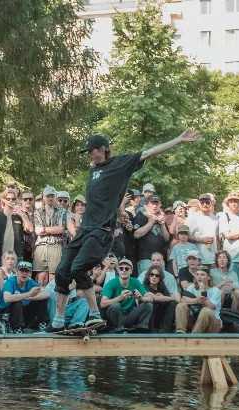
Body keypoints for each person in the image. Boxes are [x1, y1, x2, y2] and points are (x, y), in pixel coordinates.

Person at [49, 129, 199, 333]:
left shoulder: (119, 163)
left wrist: (179, 140)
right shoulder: (93, 171)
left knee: (78, 268)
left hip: (101, 232)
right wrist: (120, 211)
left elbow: (148, 153)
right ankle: (58, 320)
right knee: (62, 271)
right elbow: (113, 194)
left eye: (91, 151)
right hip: (85, 229)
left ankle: (94, 314)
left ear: (102, 149)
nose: (89, 155)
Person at [100, 258, 154, 333]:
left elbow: (150, 298)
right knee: (116, 305)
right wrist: (120, 298)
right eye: (121, 268)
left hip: (129, 315)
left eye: (127, 268)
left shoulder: (135, 281)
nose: (124, 270)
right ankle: (119, 329)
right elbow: (102, 303)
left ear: (131, 271)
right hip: (115, 316)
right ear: (118, 271)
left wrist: (140, 298)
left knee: (148, 305)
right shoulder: (112, 282)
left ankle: (141, 330)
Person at [0, 260, 50, 333]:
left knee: (41, 300)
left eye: (27, 271)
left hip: (23, 315)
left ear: (30, 274)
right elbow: (7, 298)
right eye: (22, 271)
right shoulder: (11, 281)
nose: (24, 273)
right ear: (17, 272)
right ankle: (17, 329)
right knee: (18, 301)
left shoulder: (30, 282)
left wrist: (30, 297)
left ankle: (43, 326)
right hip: (7, 315)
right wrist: (28, 294)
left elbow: (46, 294)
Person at [33, 186, 67, 285]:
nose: (50, 198)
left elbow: (61, 229)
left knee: (54, 278)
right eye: (48, 196)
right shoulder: (37, 212)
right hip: (41, 246)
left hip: (56, 246)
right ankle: (41, 300)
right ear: (43, 197)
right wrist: (53, 229)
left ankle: (53, 300)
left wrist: (44, 230)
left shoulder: (62, 211)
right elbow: (37, 231)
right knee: (41, 278)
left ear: (55, 196)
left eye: (52, 196)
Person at [0, 189, 33, 266]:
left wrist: (22, 214)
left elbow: (30, 229)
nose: (10, 200)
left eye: (13, 198)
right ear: (4, 200)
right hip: (1, 255)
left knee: (17, 277)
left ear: (16, 199)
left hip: (17, 256)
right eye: (8, 199)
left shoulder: (20, 215)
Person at [175, 266, 222, 333]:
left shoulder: (215, 290)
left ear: (208, 277)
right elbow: (183, 300)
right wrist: (196, 300)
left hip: (213, 324)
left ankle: (194, 337)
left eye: (202, 275)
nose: (199, 277)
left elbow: (211, 307)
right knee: (181, 306)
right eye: (197, 274)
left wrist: (203, 292)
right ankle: (180, 333)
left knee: (205, 310)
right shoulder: (191, 288)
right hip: (196, 321)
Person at [219, 191, 239, 288]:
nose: (233, 203)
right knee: (230, 287)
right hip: (231, 258)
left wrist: (237, 234)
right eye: (231, 201)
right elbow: (228, 236)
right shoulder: (224, 216)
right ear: (228, 203)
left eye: (236, 201)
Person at [133, 195, 170, 274]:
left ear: (160, 205)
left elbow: (166, 238)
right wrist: (150, 222)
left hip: (160, 259)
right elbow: (136, 234)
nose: (155, 206)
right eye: (152, 203)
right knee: (146, 282)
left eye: (157, 204)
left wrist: (163, 224)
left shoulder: (161, 218)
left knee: (160, 283)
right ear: (147, 205)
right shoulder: (141, 216)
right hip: (145, 258)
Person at [141, 264, 178, 333]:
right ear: (148, 276)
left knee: (172, 303)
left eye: (157, 275)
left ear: (160, 278)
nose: (154, 277)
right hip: (148, 317)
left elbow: (169, 299)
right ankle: (151, 331)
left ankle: (165, 330)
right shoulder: (144, 286)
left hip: (160, 316)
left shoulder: (162, 287)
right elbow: (155, 298)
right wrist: (169, 298)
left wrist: (164, 297)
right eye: (152, 275)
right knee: (151, 303)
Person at [186, 193, 219, 268]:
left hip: (213, 259)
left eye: (207, 202)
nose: (205, 204)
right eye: (202, 202)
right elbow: (187, 236)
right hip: (197, 259)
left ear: (211, 203)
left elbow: (217, 239)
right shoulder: (193, 217)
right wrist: (201, 240)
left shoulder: (215, 219)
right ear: (199, 204)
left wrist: (218, 256)